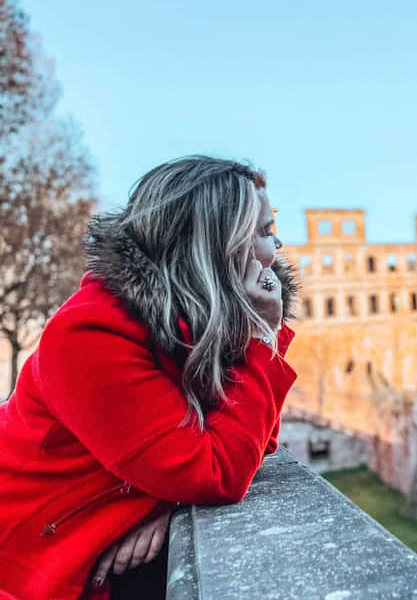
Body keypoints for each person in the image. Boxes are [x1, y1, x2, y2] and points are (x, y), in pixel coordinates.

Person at [0, 156, 299, 599]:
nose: (272, 253)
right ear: (213, 243)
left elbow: (253, 442)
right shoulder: (90, 335)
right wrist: (261, 336)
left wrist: (168, 502)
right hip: (24, 552)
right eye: (261, 233)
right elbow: (217, 471)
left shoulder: (196, 325)